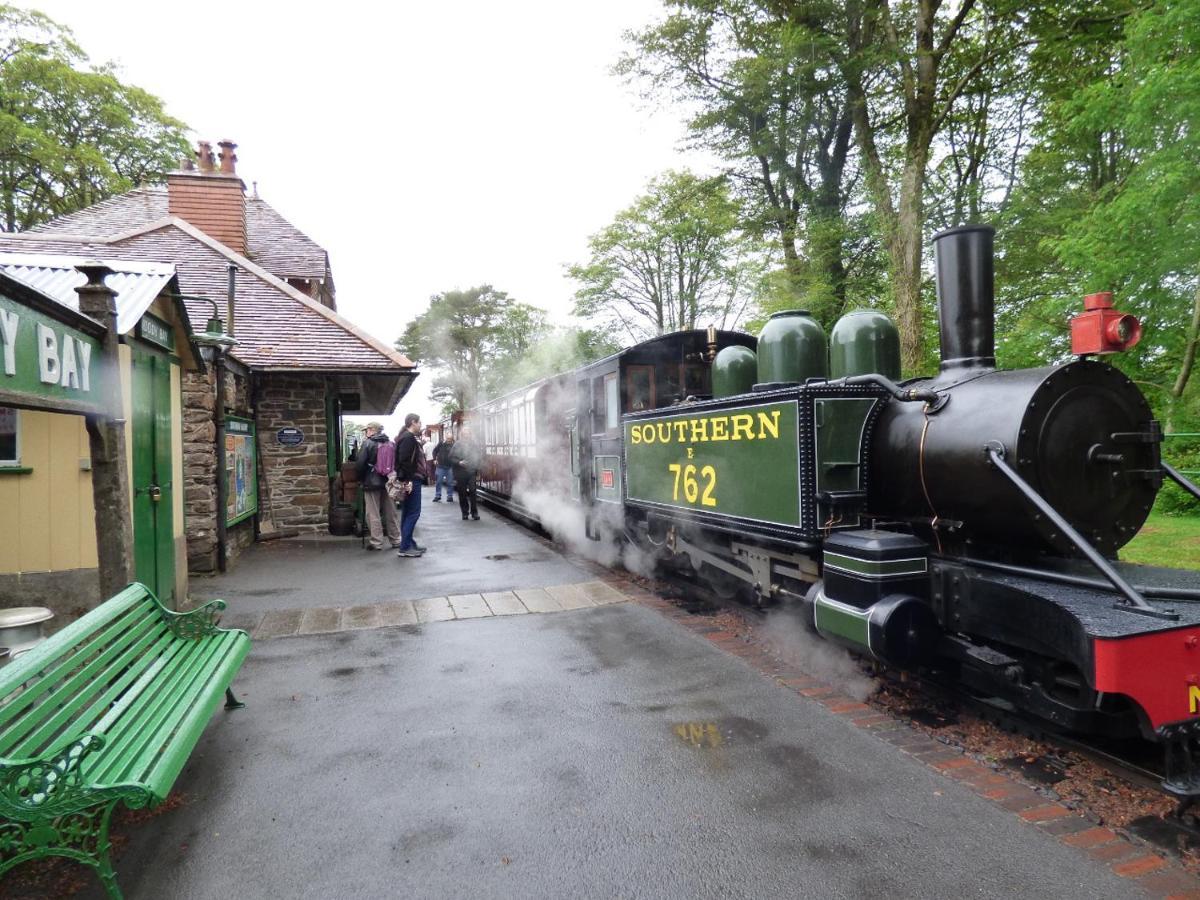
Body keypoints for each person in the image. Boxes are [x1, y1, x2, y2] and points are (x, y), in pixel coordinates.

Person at [354, 421, 400, 550]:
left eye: (367, 430)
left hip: (371, 482)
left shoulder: (368, 443)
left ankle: (377, 541)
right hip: (389, 481)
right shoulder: (391, 443)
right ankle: (396, 539)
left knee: (373, 512)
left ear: (372, 430)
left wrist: (360, 479)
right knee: (391, 511)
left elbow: (360, 464)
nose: (366, 432)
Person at [394, 413, 426, 557]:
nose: (420, 425)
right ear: (413, 422)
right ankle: (405, 547)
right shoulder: (408, 438)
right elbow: (405, 461)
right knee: (413, 512)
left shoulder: (405, 437)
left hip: (410, 479)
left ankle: (408, 543)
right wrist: (409, 481)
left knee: (407, 513)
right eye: (419, 422)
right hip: (412, 480)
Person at [449, 425, 482, 521]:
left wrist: (478, 470)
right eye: (465, 432)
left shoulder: (474, 444)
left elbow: (478, 457)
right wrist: (459, 462)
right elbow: (451, 457)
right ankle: (465, 512)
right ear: (462, 434)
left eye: (468, 432)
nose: (466, 434)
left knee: (473, 491)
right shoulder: (457, 444)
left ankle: (474, 512)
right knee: (462, 493)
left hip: (471, 471)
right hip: (460, 472)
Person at [431, 433, 456, 502]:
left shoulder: (454, 445)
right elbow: (434, 451)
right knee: (439, 481)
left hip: (450, 466)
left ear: (452, 439)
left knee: (450, 482)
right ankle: (437, 495)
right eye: (448, 439)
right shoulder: (441, 443)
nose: (448, 440)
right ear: (446, 437)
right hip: (440, 466)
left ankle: (450, 496)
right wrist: (434, 459)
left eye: (450, 439)